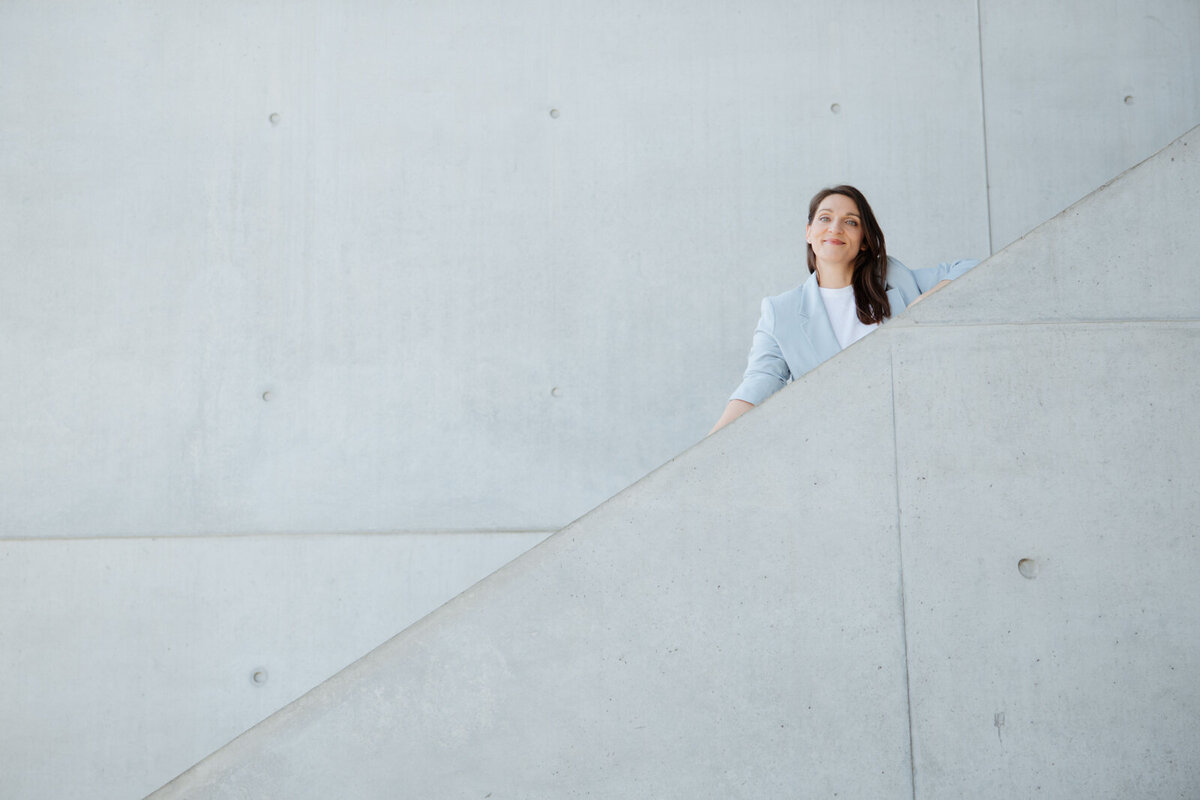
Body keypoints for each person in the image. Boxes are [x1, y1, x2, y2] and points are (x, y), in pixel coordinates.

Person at [709, 184, 979, 435]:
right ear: (809, 232)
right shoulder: (781, 311)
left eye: (851, 222)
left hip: (911, 428)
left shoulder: (896, 279)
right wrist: (711, 442)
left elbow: (969, 268)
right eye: (825, 218)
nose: (835, 228)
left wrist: (923, 304)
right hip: (835, 442)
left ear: (863, 240)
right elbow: (760, 382)